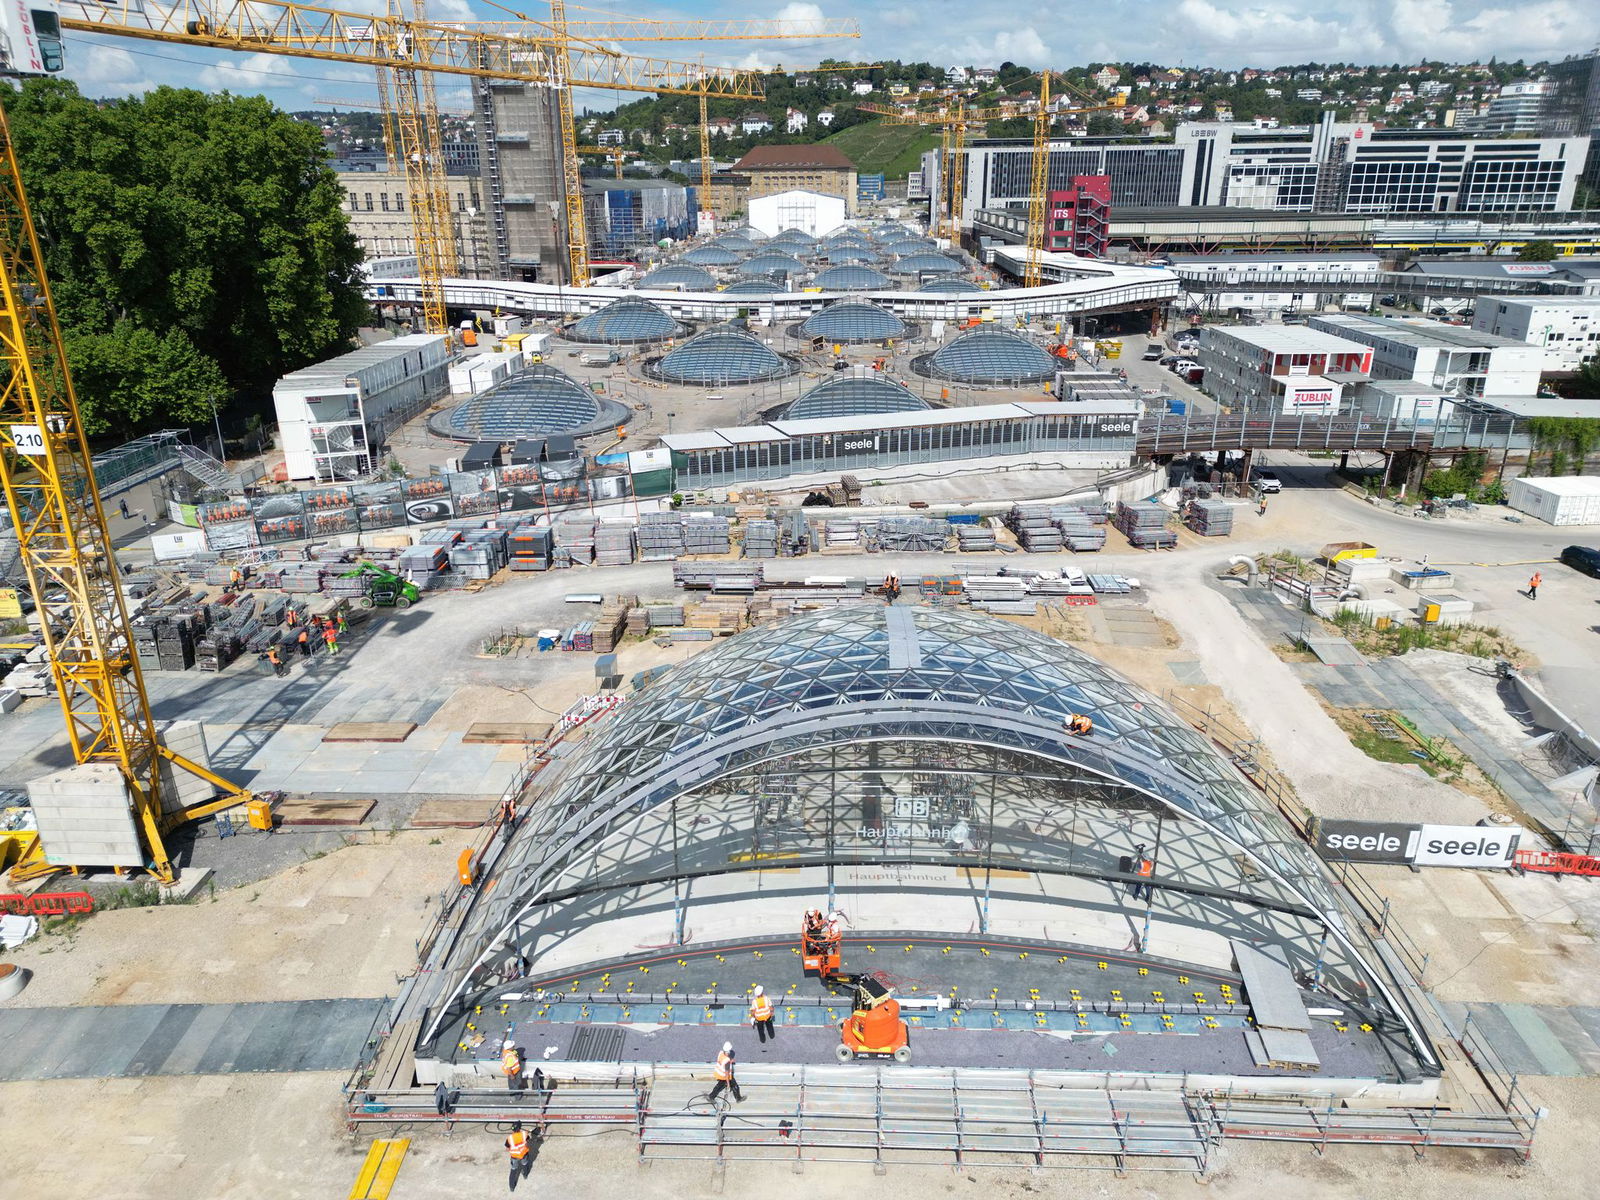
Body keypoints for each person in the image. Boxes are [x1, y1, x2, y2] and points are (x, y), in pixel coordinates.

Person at [504, 1120, 533, 1192]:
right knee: (525, 1164)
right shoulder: (524, 1134)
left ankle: (512, 1187)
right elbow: (528, 1139)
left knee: (513, 1171)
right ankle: (525, 1175)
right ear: (520, 1128)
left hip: (514, 1157)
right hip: (523, 1154)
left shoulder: (509, 1138)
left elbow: (507, 1149)